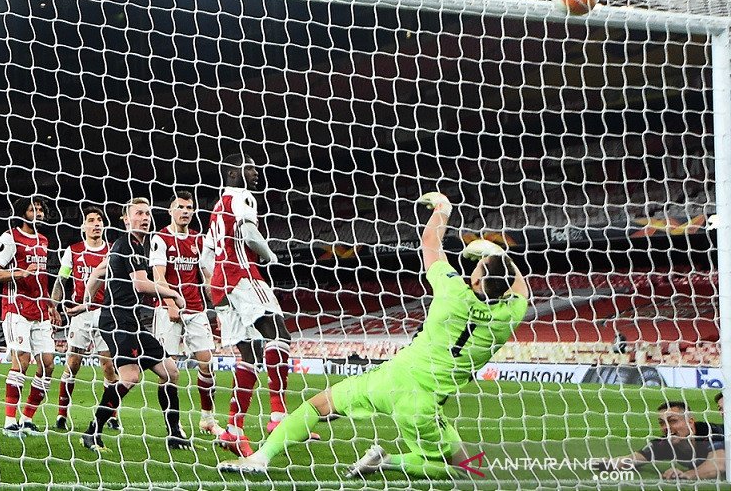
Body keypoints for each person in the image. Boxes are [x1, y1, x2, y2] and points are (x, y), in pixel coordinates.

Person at [218, 191, 530, 476]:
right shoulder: (508, 316)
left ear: (476, 282)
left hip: (390, 378)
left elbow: (431, 245)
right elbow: (521, 288)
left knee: (317, 405)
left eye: (480, 266)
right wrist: (501, 257)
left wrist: (443, 209)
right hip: (422, 404)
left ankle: (261, 457)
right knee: (465, 469)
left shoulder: (451, 290)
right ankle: (390, 461)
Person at [202, 154, 318, 458]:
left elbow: (206, 258)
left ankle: (233, 429)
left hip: (220, 285)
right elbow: (250, 234)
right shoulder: (243, 197)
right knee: (280, 336)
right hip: (242, 276)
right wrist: (269, 256)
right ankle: (278, 416)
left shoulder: (216, 208)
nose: (256, 172)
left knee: (250, 355)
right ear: (232, 172)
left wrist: (214, 293)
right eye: (250, 167)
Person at [79, 197, 191, 452]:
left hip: (131, 320)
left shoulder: (135, 245)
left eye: (147, 213)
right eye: (139, 213)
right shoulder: (128, 243)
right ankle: (92, 432)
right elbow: (141, 285)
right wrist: (173, 293)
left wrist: (87, 300)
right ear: (126, 219)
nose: (145, 217)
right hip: (118, 320)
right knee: (131, 376)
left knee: (170, 371)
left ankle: (174, 432)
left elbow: (98, 271)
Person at [150, 191, 223, 436]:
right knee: (168, 370)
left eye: (189, 207)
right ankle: (173, 425)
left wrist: (219, 309)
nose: (185, 211)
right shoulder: (160, 238)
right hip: (167, 309)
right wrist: (170, 302)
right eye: (180, 207)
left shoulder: (198, 240)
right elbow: (158, 276)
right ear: (171, 210)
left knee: (207, 363)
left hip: (195, 309)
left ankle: (207, 419)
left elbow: (207, 277)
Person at [0, 197, 61, 437]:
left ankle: (27, 419)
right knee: (22, 360)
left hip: (40, 311)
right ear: (22, 213)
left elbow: (41, 278)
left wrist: (51, 304)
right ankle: (10, 422)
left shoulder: (44, 240)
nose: (37, 213)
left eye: (40, 210)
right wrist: (19, 273)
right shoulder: (10, 237)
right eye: (33, 209)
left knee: (48, 364)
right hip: (16, 309)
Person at [51, 206, 119, 431]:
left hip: (104, 313)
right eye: (91, 220)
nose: (96, 223)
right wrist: (54, 305)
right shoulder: (73, 251)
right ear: (84, 226)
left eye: (99, 220)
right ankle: (61, 415)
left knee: (108, 366)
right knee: (73, 364)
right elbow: (61, 281)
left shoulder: (112, 251)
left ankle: (112, 415)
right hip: (79, 315)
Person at [599, 401, 725, 480]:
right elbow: (632, 459)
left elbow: (718, 465)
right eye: (662, 423)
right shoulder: (665, 443)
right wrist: (602, 463)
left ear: (690, 422)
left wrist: (687, 475)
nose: (666, 428)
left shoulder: (711, 433)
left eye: (672, 421)